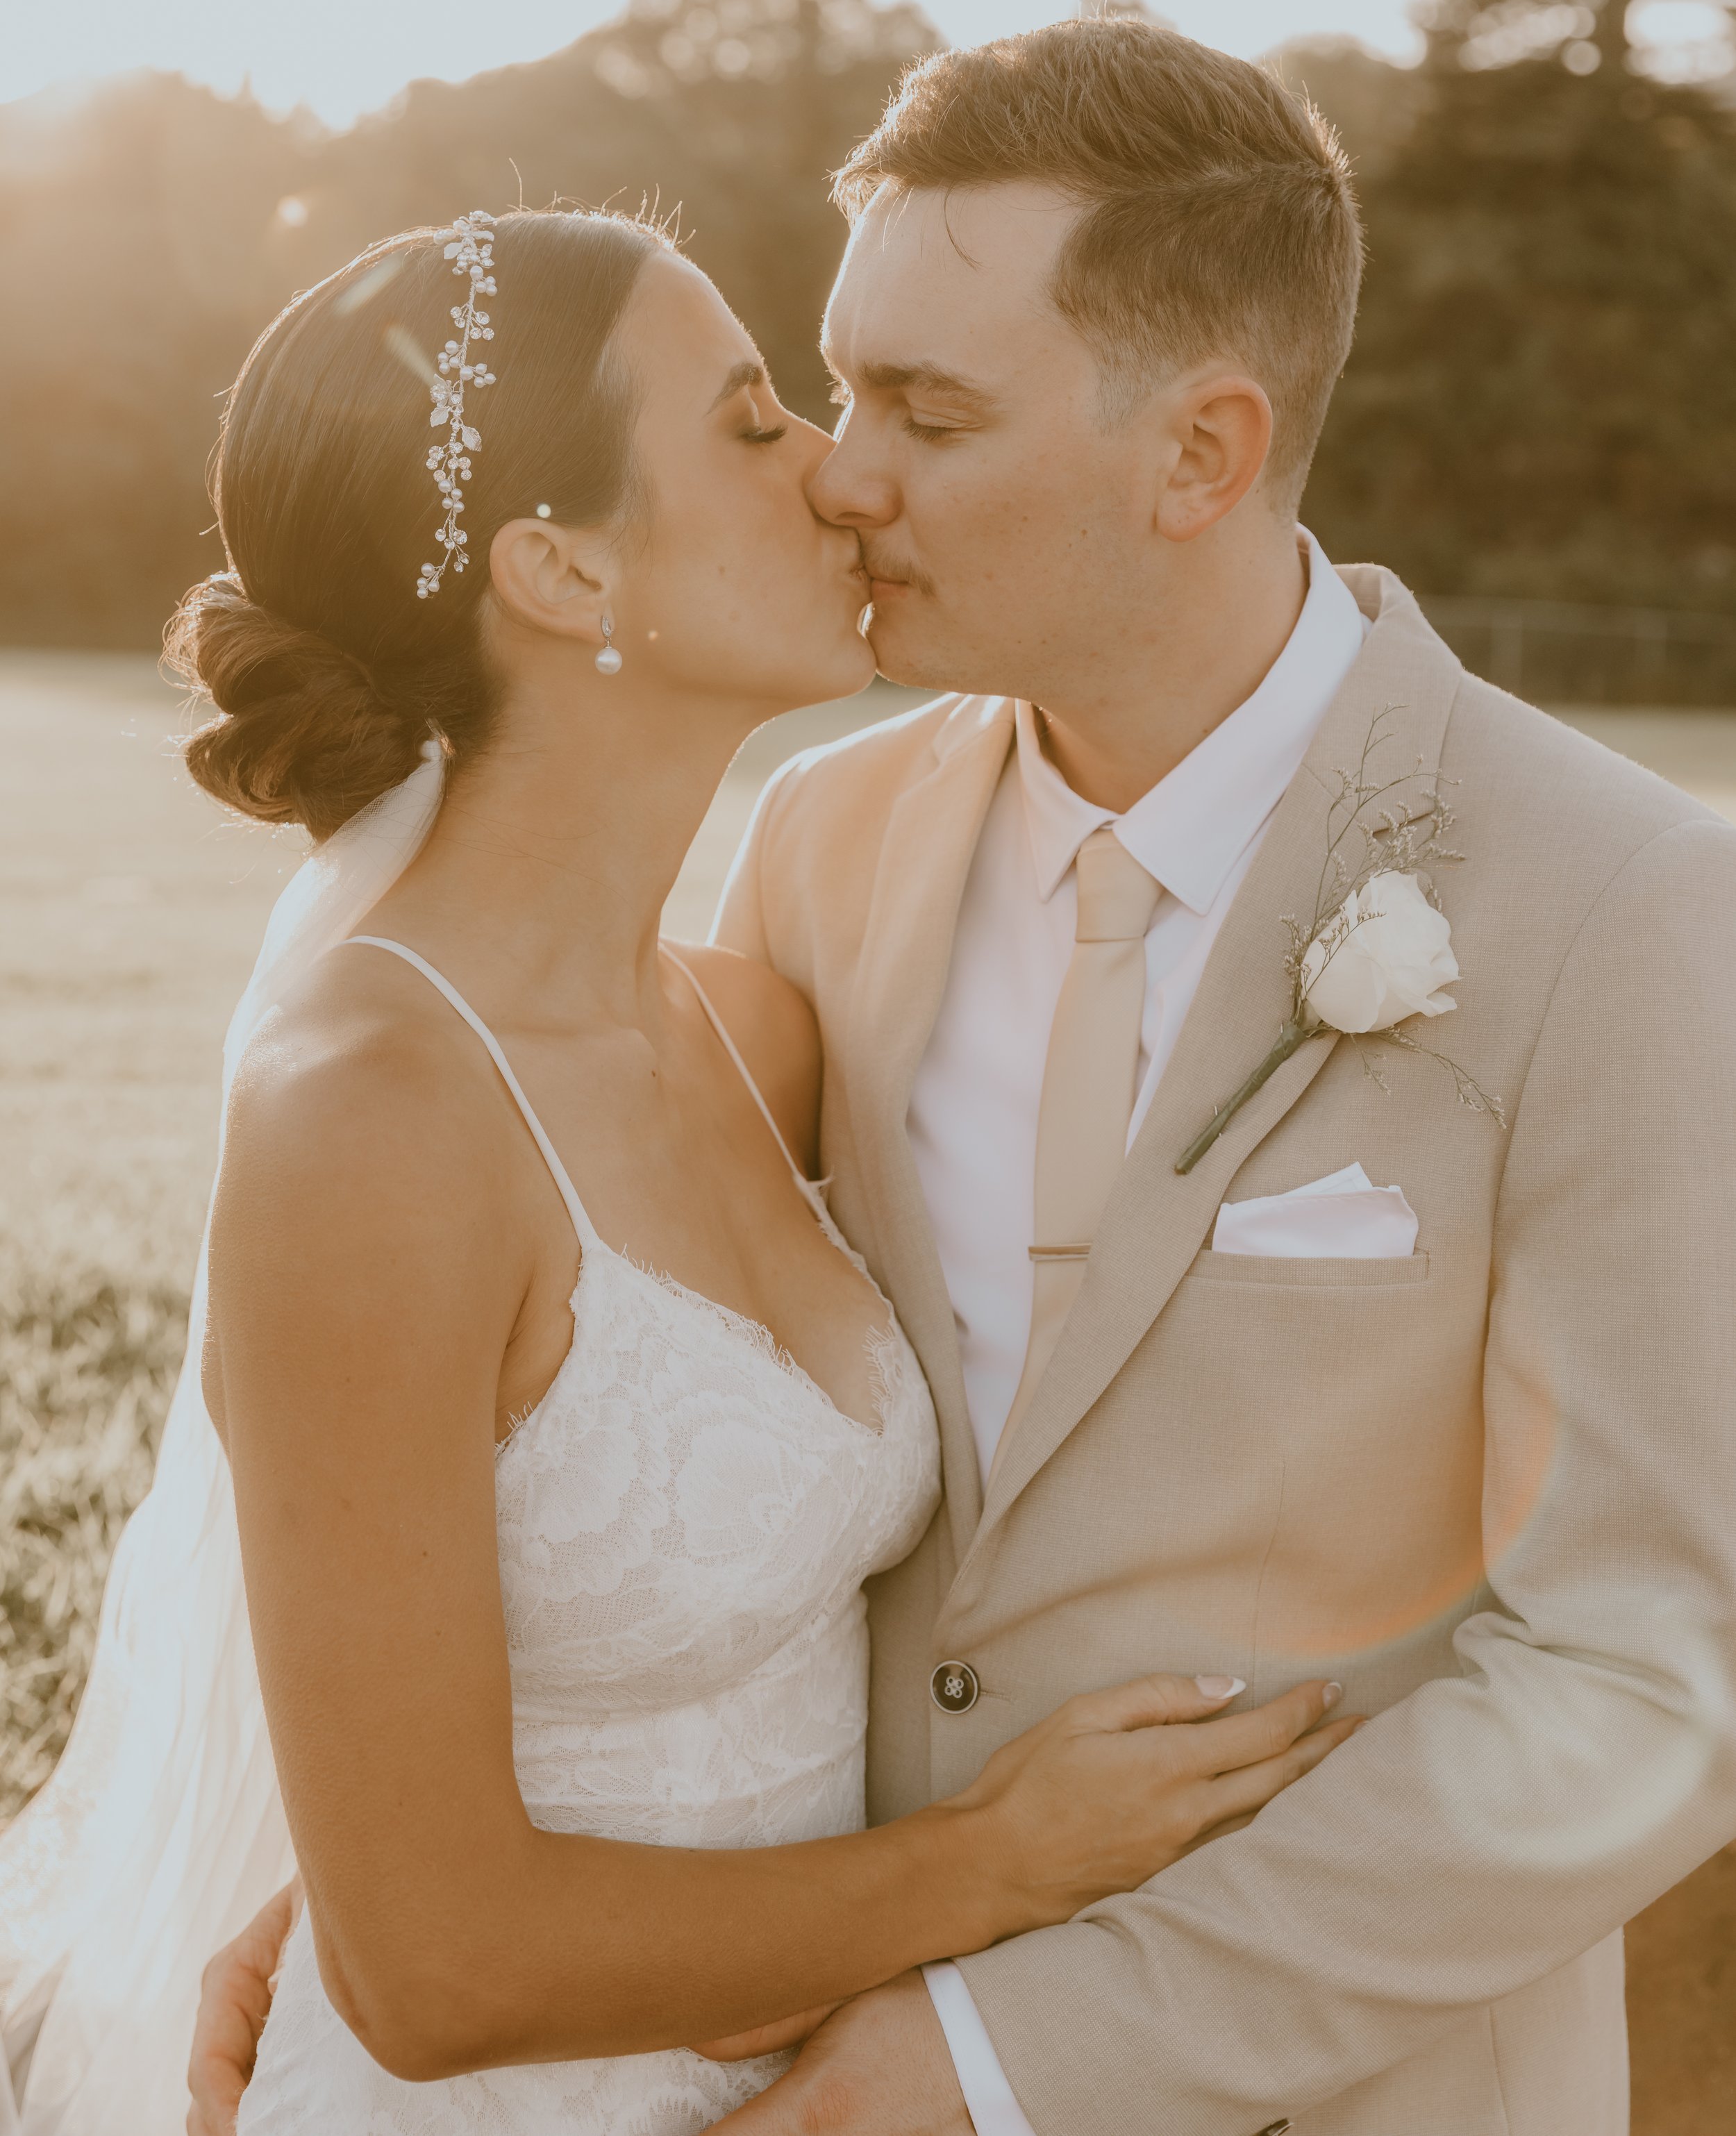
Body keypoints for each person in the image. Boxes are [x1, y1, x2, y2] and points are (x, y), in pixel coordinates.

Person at [181, 17, 1736, 2130]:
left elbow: (1648, 1677)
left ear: (1195, 452)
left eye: (921, 409)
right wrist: (406, 1876)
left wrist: (1011, 2054)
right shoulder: (828, 849)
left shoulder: (1622, 905)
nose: (839, 468)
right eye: (820, 392)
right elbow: (553, 1394)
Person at [0, 201, 1353, 2136]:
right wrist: (999, 1861)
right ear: (558, 565)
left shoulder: (751, 1023)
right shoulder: (369, 1113)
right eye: (746, 421)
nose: (838, 468)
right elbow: (435, 1966)